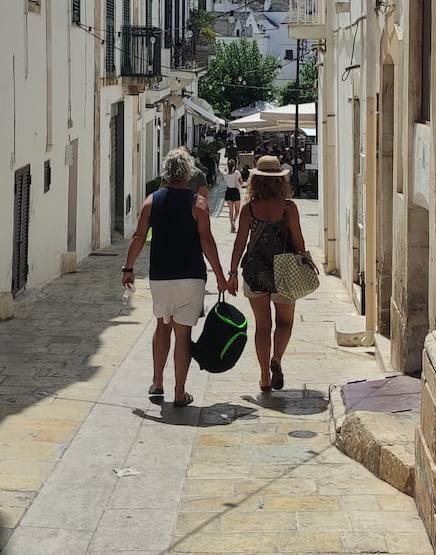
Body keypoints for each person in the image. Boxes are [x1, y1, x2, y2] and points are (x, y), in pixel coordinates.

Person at [123, 146, 229, 407]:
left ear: (166, 172)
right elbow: (207, 240)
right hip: (191, 276)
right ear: (189, 173)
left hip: (160, 275)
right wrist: (220, 275)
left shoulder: (152, 201)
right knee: (183, 335)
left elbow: (138, 237)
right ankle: (180, 392)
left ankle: (157, 382)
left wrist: (128, 268)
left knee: (162, 326)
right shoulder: (198, 203)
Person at [227, 155, 306, 393]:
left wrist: (232, 273)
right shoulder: (289, 207)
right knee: (285, 322)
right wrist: (305, 262)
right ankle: (277, 360)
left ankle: (263, 377)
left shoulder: (249, 209)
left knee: (262, 326)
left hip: (255, 271)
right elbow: (299, 242)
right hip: (285, 271)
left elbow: (239, 243)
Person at [222, 157, 243, 233]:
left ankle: (231, 225)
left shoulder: (225, 174)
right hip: (235, 191)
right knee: (237, 210)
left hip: (229, 191)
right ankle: (234, 220)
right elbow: (241, 182)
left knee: (231, 210)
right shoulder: (237, 173)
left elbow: (225, 180)